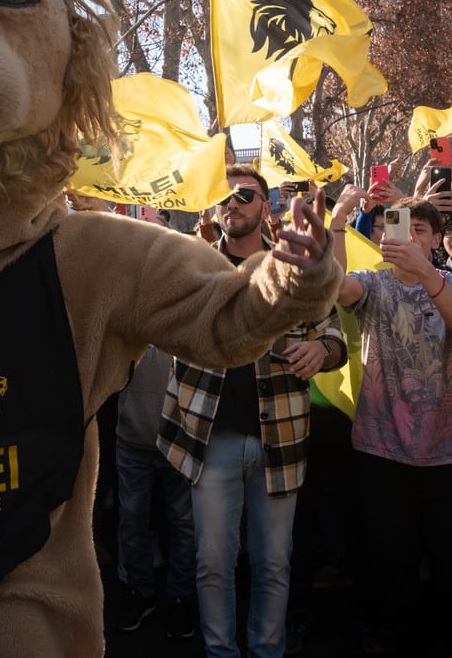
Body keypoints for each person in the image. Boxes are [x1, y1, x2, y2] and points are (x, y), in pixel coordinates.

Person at [159, 165, 345, 658]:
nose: (234, 203)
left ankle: (268, 651)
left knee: (273, 564)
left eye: (245, 195)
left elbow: (334, 336)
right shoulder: (192, 268)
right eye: (225, 196)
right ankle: (220, 652)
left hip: (279, 438)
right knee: (212, 563)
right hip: (208, 439)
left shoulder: (299, 268)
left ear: (267, 206)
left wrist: (322, 353)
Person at [328, 189, 452, 657]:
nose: (408, 237)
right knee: (390, 559)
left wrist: (425, 274)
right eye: (398, 229)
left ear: (436, 238)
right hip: (381, 448)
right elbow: (336, 288)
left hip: (448, 448)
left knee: (451, 560)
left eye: (419, 230)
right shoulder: (373, 282)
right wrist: (337, 223)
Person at [110, 344, 196, 639]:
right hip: (132, 436)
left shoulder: (185, 303)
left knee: (183, 522)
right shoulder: (131, 307)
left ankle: (180, 597)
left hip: (180, 437)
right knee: (132, 519)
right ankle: (139, 591)